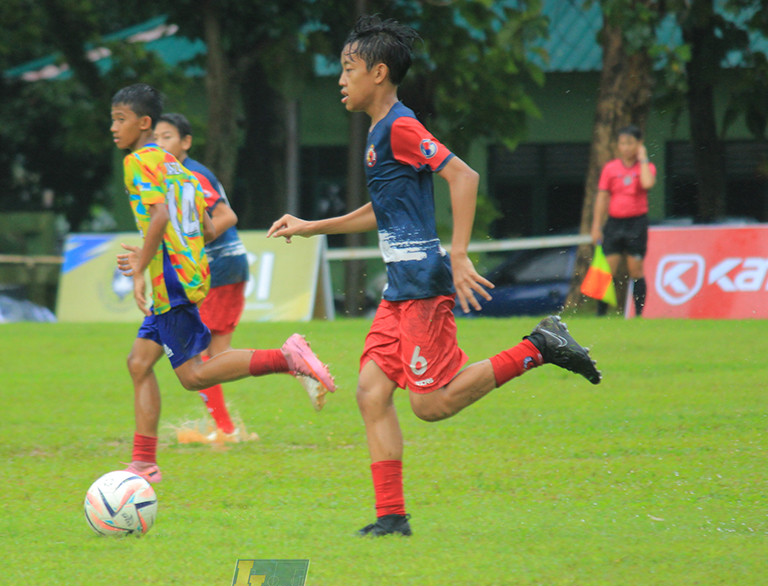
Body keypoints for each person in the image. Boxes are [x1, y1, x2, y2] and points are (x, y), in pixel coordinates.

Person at [267, 16, 602, 537]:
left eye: (349, 69)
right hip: (399, 290)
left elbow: (462, 175)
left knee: (430, 403)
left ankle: (540, 346)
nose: (341, 79)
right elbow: (382, 209)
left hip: (422, 285)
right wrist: (313, 227)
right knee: (371, 392)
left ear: (379, 73)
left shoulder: (400, 127)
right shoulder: (380, 132)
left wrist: (460, 254)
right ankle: (391, 518)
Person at [110, 83, 336, 484]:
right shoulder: (178, 167)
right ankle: (144, 462)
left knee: (194, 374)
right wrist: (161, 250)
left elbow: (159, 216)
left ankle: (287, 358)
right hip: (187, 274)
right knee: (139, 363)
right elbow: (210, 228)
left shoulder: (137, 162)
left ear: (143, 123)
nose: (113, 127)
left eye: (120, 119)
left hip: (171, 282)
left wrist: (143, 266)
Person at [154, 113, 327, 441]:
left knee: (197, 358)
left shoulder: (190, 174)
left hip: (216, 267)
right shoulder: (174, 175)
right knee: (214, 355)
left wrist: (187, 248)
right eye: (156, 138)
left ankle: (283, 364)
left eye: (167, 137)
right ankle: (227, 428)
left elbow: (226, 216)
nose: (159, 144)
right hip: (222, 267)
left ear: (186, 142)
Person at [590, 125, 657, 317]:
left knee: (635, 269)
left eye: (630, 143)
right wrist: (596, 225)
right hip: (614, 223)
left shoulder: (647, 167)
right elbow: (602, 197)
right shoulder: (610, 168)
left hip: (636, 223)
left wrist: (643, 158)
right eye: (622, 143)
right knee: (607, 268)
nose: (626, 147)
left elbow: (647, 183)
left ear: (639, 144)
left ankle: (638, 315)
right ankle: (601, 314)